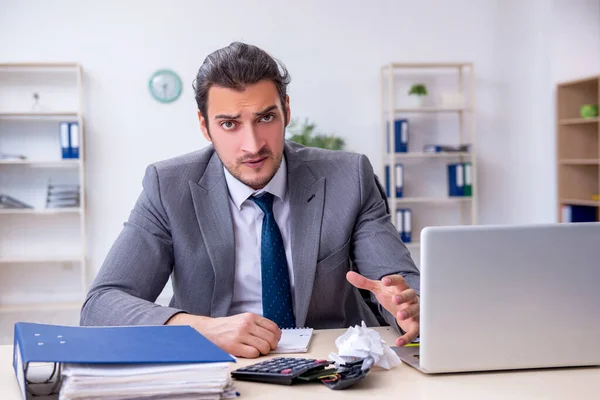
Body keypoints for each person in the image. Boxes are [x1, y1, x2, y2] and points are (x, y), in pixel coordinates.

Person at [81, 42, 421, 358]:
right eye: (229, 124)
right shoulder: (168, 187)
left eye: (266, 118)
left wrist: (409, 306)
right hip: (221, 366)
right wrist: (202, 329)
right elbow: (101, 305)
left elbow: (402, 283)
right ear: (205, 126)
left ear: (286, 111)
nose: (253, 144)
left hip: (333, 365)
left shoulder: (348, 177)